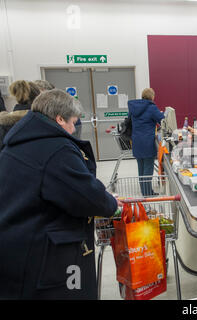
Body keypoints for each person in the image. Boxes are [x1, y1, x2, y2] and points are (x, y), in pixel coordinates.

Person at [0, 89, 120, 299]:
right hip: (46, 258)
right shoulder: (56, 149)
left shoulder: (16, 143)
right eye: (73, 122)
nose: (74, 129)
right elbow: (88, 197)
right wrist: (112, 203)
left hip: (16, 248)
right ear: (59, 119)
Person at [128, 87, 165, 196]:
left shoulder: (134, 107)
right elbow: (162, 120)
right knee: (148, 168)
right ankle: (147, 193)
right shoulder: (152, 108)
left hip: (136, 141)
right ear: (152, 97)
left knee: (141, 168)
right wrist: (161, 114)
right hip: (147, 141)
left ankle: (145, 191)